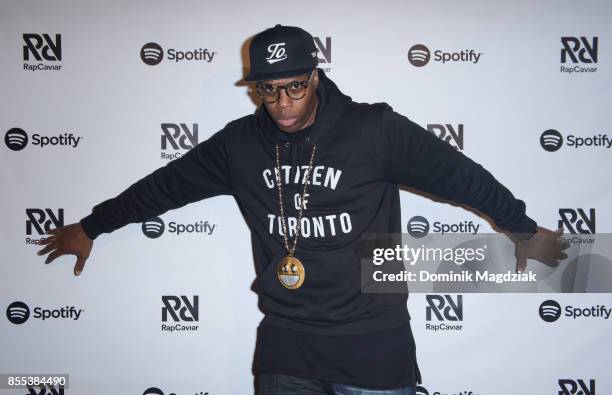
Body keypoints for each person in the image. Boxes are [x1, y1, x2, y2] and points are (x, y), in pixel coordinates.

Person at [36, 24, 567, 395]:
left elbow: (460, 177)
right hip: (286, 343)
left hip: (373, 342)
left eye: (294, 85)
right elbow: (164, 187)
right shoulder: (238, 146)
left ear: (315, 76)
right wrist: (92, 225)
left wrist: (521, 229)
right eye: (269, 90)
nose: (283, 103)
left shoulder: (373, 129)